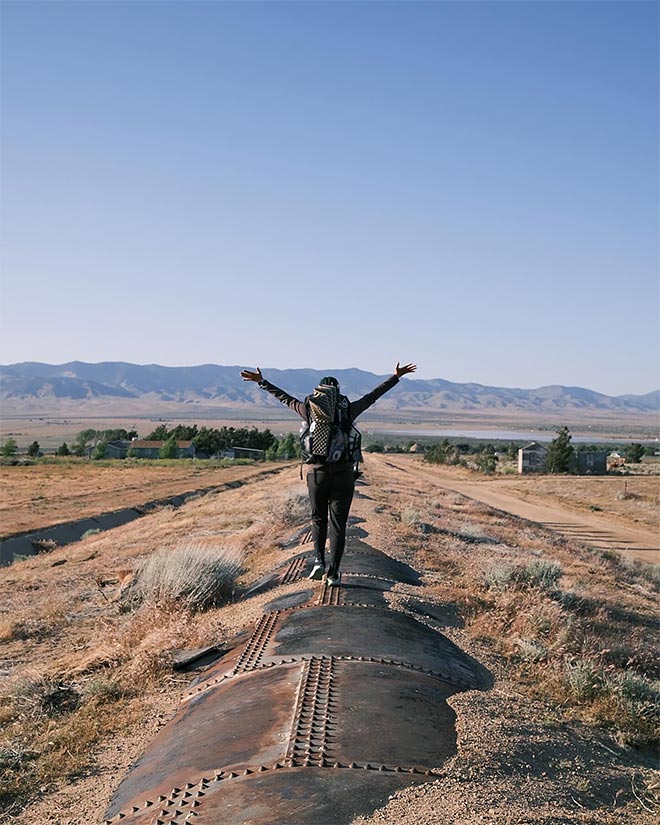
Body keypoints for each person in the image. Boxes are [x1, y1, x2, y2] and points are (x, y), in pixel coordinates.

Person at [240, 363, 417, 586]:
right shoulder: (348, 410)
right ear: (338, 393)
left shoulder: (308, 408)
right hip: (344, 475)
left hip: (317, 474)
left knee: (317, 518)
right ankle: (333, 573)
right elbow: (373, 396)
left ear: (319, 392)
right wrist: (395, 377)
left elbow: (284, 398)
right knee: (338, 524)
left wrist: (262, 382)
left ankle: (318, 561)